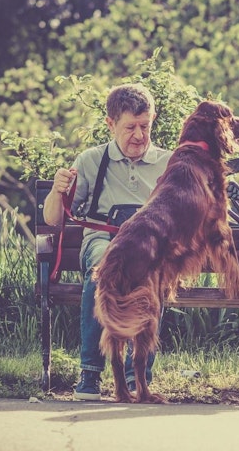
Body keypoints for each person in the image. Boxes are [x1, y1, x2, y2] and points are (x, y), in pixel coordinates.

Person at [42, 83, 172, 400]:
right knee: (102, 269)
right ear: (111, 125)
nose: (139, 136)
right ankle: (90, 374)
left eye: (145, 126)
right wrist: (57, 190)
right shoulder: (90, 160)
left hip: (147, 246)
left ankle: (136, 376)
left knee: (151, 276)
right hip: (104, 238)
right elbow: (52, 219)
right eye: (130, 127)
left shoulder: (167, 162)